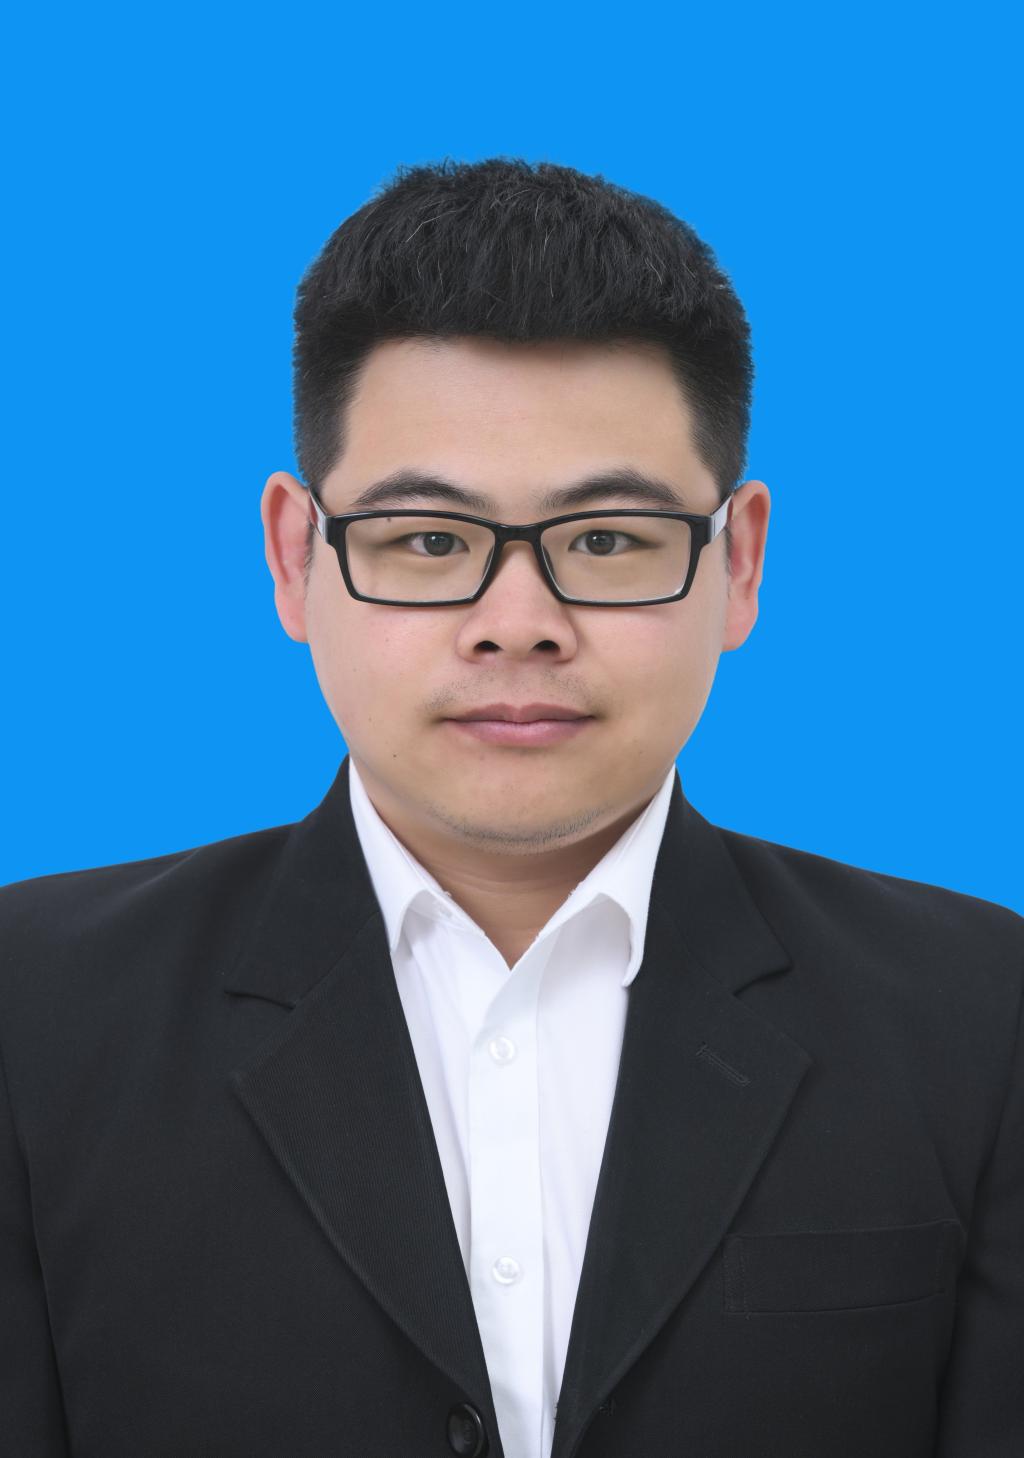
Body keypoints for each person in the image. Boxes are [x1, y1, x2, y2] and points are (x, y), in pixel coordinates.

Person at [1, 158, 1020, 1458]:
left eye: (606, 540)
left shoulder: (982, 1015)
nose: (518, 624)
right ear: (297, 557)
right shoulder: (31, 1010)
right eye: (430, 540)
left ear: (740, 562)